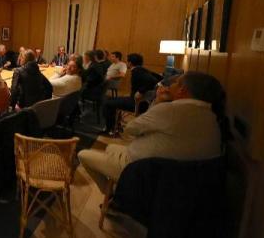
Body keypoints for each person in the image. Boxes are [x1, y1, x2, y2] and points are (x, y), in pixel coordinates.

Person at [78, 72, 224, 188]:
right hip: (179, 182)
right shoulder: (211, 117)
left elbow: (130, 129)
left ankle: (115, 197)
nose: (170, 85)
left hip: (141, 172)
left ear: (182, 90)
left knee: (83, 154)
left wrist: (159, 102)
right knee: (110, 146)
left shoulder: (170, 110)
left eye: (175, 83)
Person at [102, 53, 160, 134]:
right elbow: (159, 78)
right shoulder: (141, 70)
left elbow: (153, 81)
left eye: (127, 61)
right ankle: (115, 125)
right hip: (143, 102)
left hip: (137, 104)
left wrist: (141, 91)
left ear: (130, 63)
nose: (126, 63)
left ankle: (110, 129)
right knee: (112, 100)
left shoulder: (137, 71)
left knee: (108, 103)